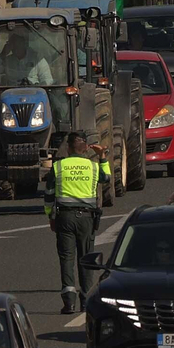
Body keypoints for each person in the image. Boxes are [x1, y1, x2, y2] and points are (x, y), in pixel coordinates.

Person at [43, 132, 112, 314]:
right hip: (87, 218)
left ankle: (69, 303)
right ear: (86, 148)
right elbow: (107, 178)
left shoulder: (58, 166)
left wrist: (50, 216)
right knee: (86, 259)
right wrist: (102, 156)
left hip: (64, 217)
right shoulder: (93, 166)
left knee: (66, 258)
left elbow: (49, 194)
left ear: (68, 147)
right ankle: (86, 300)